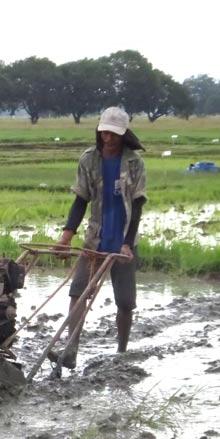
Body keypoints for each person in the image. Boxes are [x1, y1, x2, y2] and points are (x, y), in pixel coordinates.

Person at [49, 106, 147, 369]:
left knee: (125, 302)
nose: (108, 138)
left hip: (123, 242)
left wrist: (127, 244)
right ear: (99, 131)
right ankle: (69, 352)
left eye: (114, 134)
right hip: (95, 240)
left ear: (123, 134)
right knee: (78, 292)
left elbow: (137, 207)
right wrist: (66, 237)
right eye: (104, 133)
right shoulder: (89, 160)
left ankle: (121, 352)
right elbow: (80, 200)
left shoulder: (135, 163)